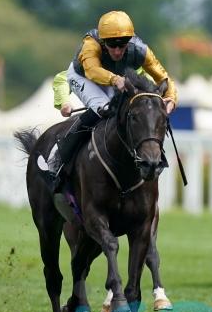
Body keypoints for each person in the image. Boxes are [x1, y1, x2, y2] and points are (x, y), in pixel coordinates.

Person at [46, 10, 178, 191]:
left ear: (129, 41)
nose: (117, 51)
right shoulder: (90, 45)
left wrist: (171, 98)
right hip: (84, 76)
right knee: (103, 108)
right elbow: (92, 71)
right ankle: (58, 156)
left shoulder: (141, 49)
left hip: (116, 79)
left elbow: (164, 78)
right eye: (111, 45)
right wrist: (115, 80)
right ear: (102, 42)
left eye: (122, 45)